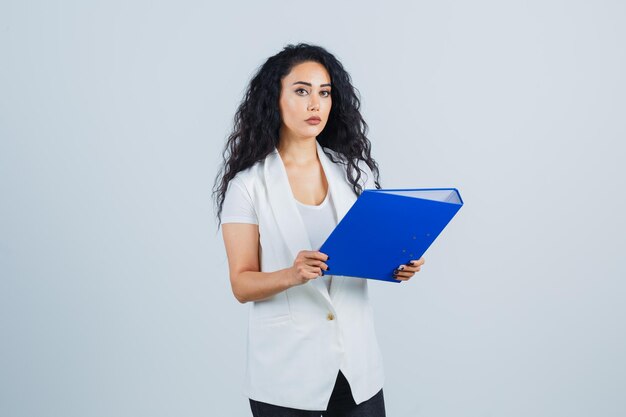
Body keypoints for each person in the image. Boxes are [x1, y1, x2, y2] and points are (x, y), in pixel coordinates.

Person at [213, 43, 425, 416]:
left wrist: (396, 265)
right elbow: (241, 284)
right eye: (301, 91)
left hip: (356, 370)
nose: (315, 104)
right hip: (286, 376)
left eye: (324, 92)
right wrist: (292, 275)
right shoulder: (248, 186)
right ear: (273, 100)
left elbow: (363, 253)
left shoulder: (350, 173)